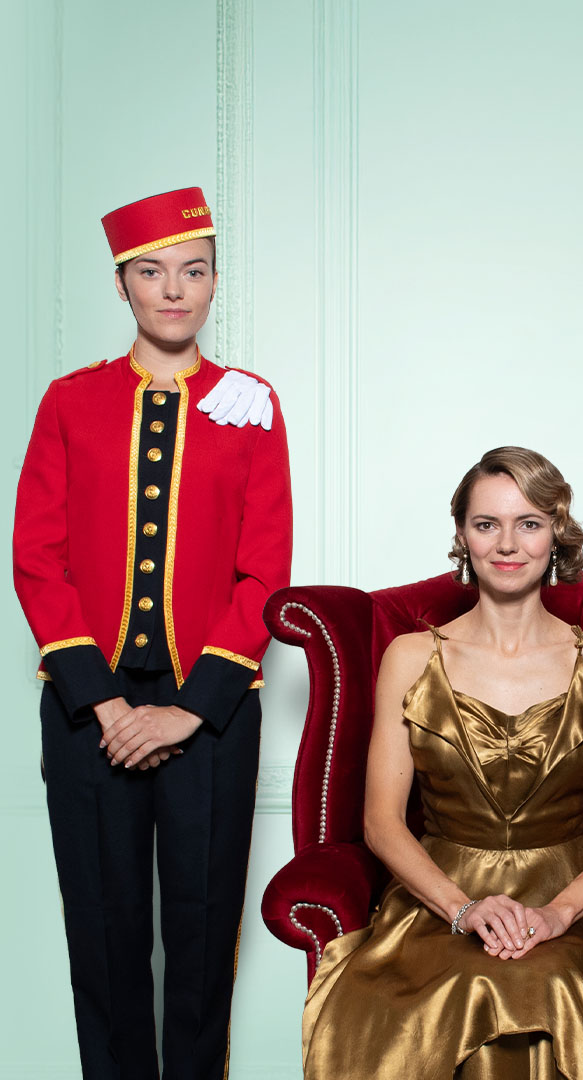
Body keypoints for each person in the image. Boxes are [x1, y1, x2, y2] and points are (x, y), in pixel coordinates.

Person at [301, 446, 583, 1079]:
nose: (507, 543)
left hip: (572, 894)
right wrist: (463, 909)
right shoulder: (410, 657)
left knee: (555, 986)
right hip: (437, 894)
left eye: (529, 523)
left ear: (557, 534)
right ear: (462, 536)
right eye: (487, 524)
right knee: (466, 986)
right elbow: (382, 822)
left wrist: (557, 915)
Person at [13, 187, 293, 1079]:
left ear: (215, 283)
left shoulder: (252, 404)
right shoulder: (69, 402)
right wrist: (101, 702)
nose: (174, 290)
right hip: (88, 713)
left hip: (210, 712)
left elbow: (265, 570)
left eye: (194, 271)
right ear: (123, 284)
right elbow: (36, 559)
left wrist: (189, 710)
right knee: (104, 938)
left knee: (205, 944)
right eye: (152, 272)